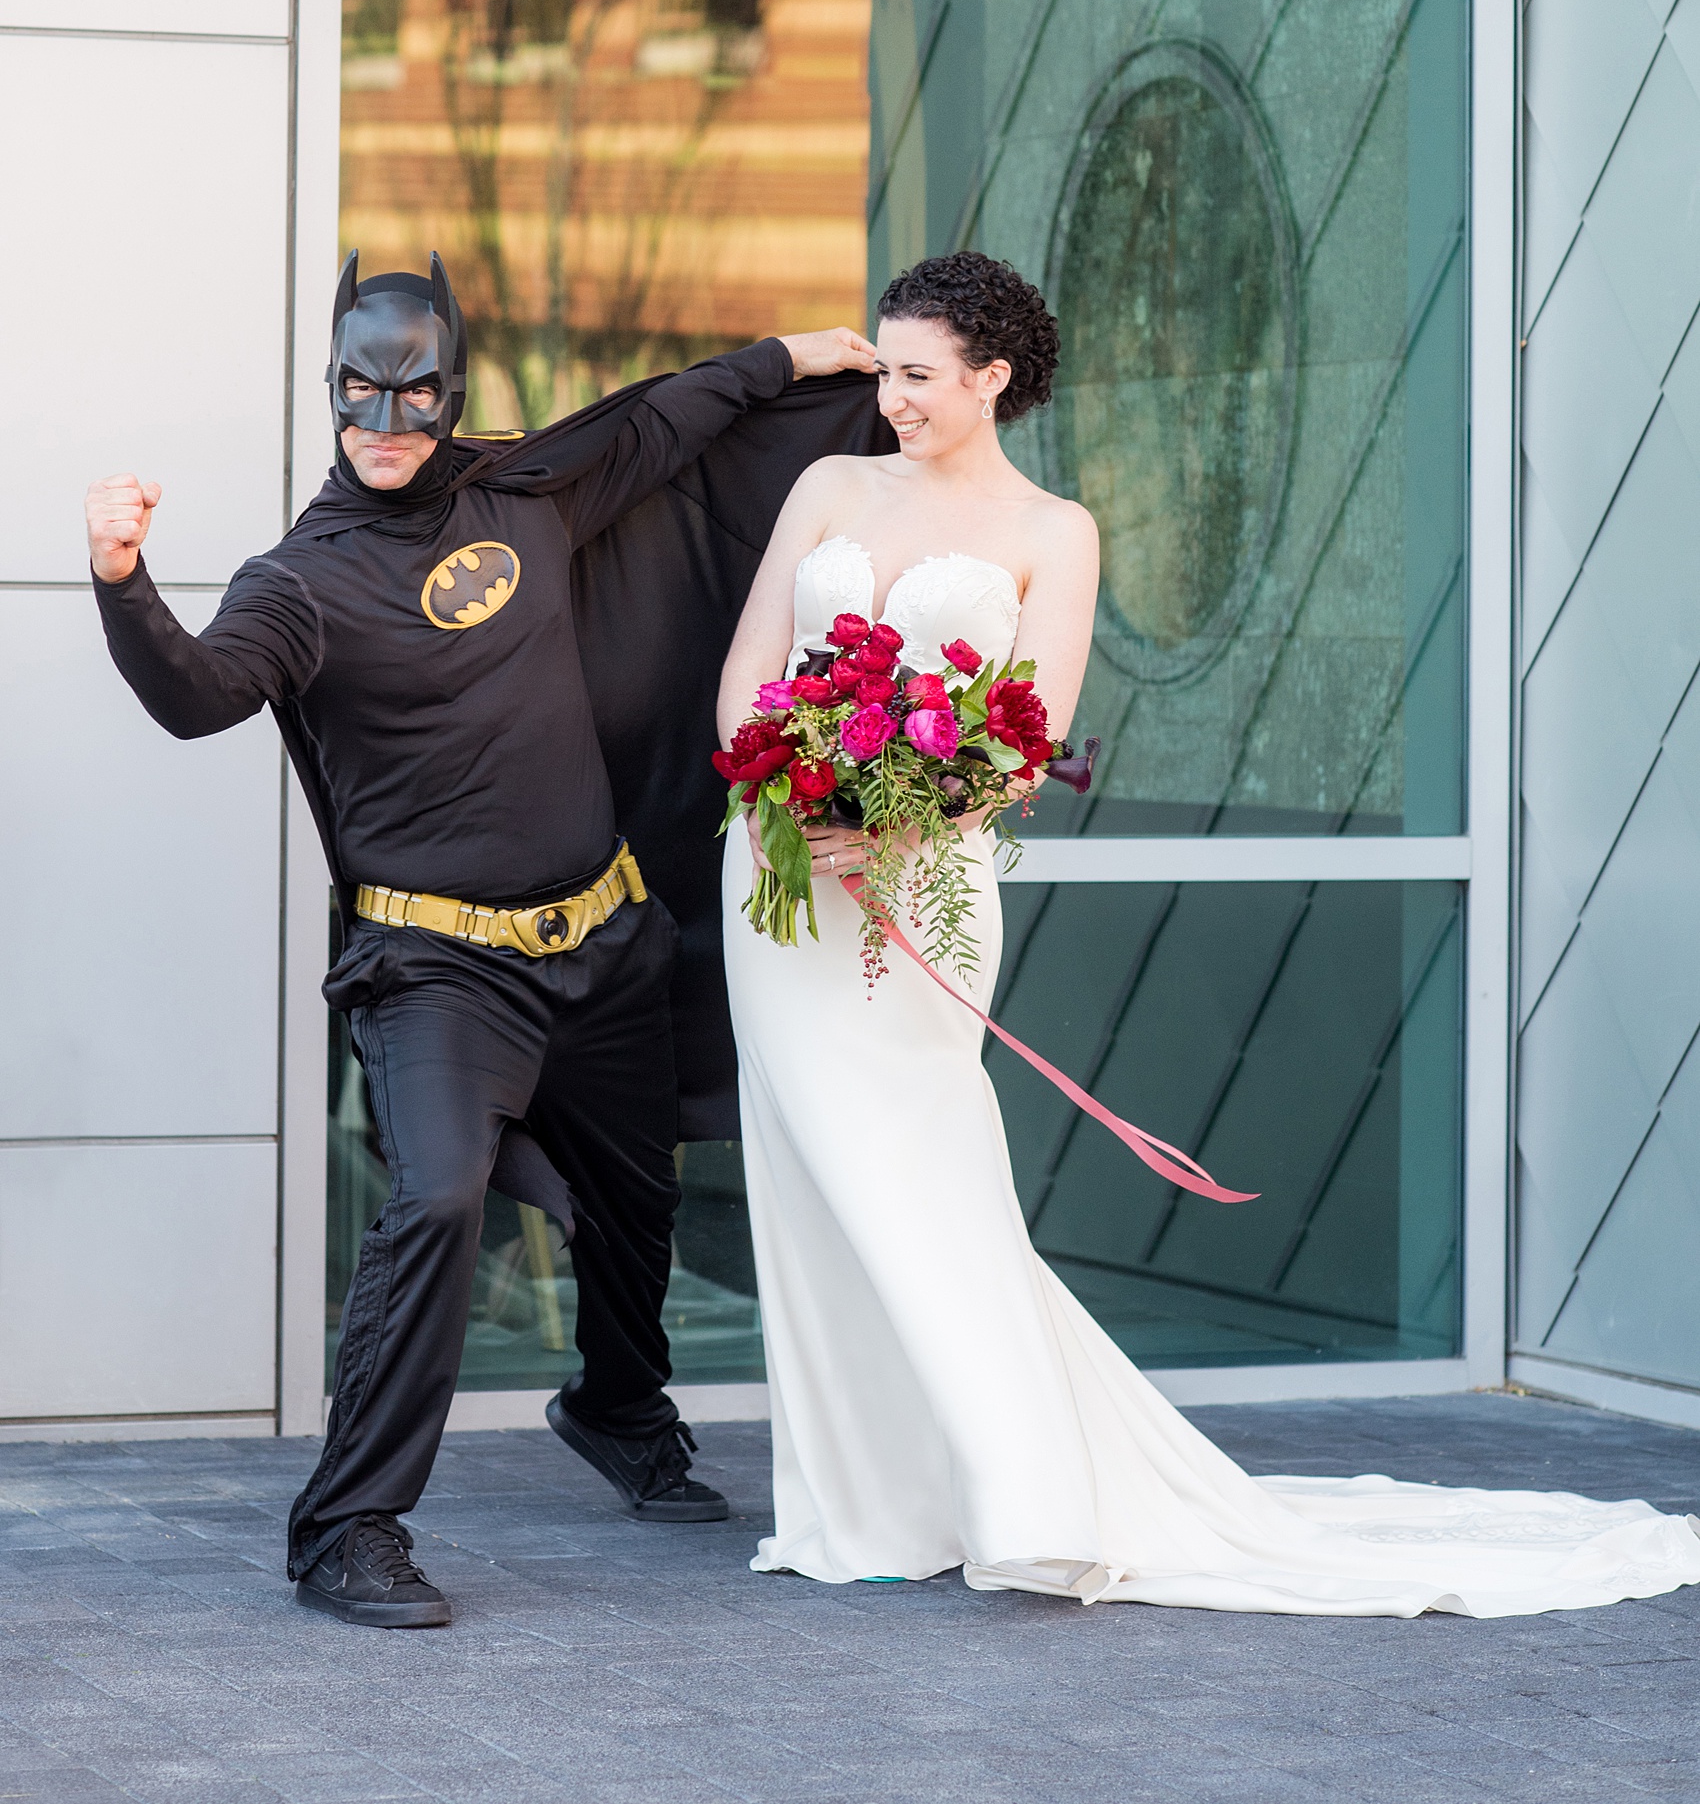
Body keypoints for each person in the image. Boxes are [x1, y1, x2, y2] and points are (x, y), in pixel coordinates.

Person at [716, 248, 1700, 1618]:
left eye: (921, 374)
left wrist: (886, 822)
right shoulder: (828, 487)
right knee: (818, 1183)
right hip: (778, 886)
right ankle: (873, 1500)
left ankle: (1031, 1492)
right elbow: (746, 675)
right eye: (886, 368)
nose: (893, 396)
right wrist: (788, 785)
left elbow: (1028, 737)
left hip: (921, 881)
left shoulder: (1055, 530)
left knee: (918, 1176)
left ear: (994, 378)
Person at [87, 249, 880, 1630]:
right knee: (440, 1195)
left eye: (412, 397)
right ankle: (347, 1530)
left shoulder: (527, 487)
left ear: (450, 393)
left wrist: (795, 358)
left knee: (642, 1195)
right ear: (331, 388)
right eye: (360, 395)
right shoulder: (300, 582)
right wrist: (121, 579)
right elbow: (198, 692)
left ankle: (618, 1405)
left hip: (605, 937)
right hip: (439, 972)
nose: (384, 426)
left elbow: (665, 416)